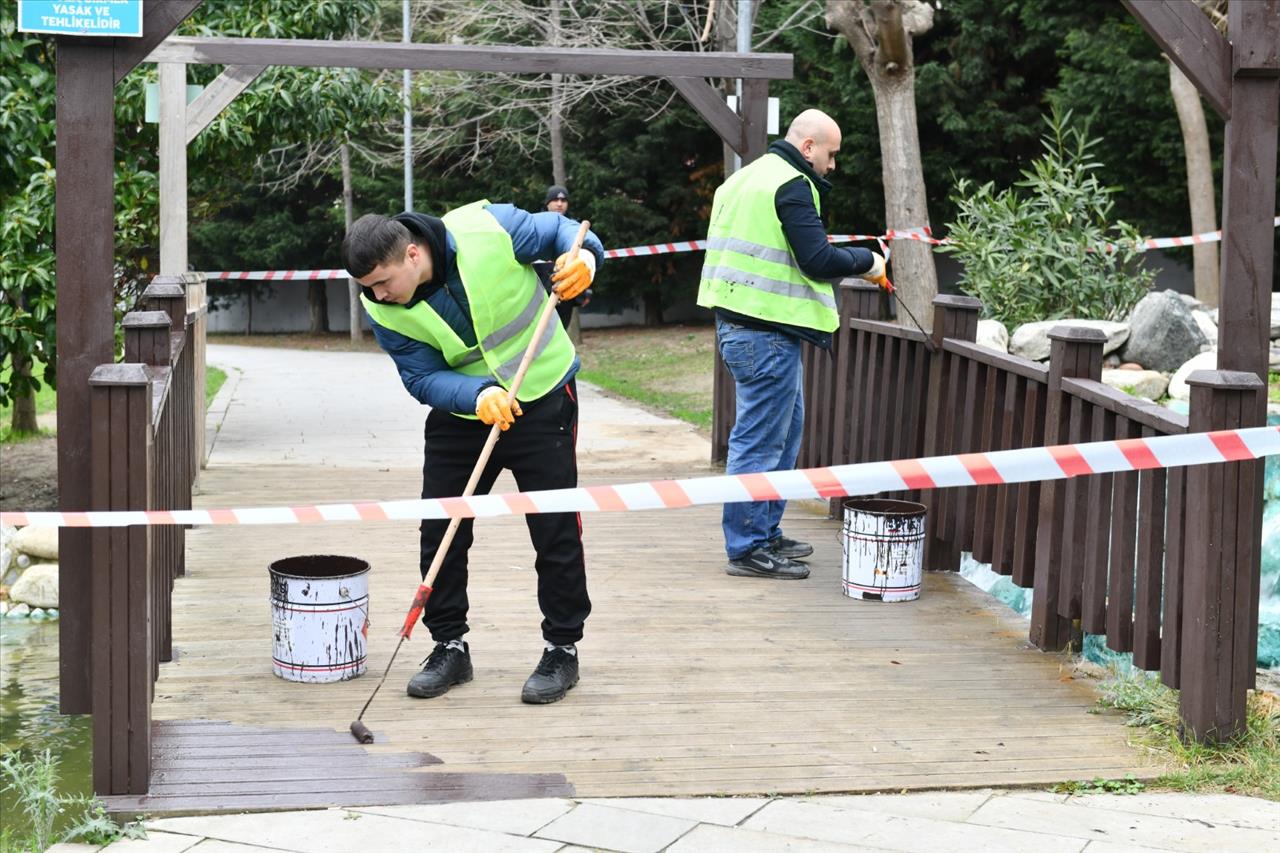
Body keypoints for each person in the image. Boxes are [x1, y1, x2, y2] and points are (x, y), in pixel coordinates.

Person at [341, 201, 604, 704]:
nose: (375, 295)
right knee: (440, 529)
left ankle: (562, 648)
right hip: (467, 415)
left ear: (413, 254)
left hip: (544, 393)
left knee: (554, 528)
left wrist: (586, 259)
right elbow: (420, 375)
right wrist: (478, 396)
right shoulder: (381, 306)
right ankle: (449, 646)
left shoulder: (489, 228)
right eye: (368, 287)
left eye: (382, 281)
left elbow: (561, 231)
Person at [696, 109, 887, 580]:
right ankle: (745, 547)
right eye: (830, 154)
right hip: (765, 334)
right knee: (759, 444)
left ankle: (764, 532)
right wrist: (870, 260)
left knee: (783, 437)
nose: (832, 165)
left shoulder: (742, 180)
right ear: (808, 147)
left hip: (746, 327)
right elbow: (817, 259)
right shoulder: (792, 184)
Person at [536, 185, 588, 330]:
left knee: (562, 333)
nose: (559, 204)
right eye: (555, 199)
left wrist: (584, 290)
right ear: (547, 203)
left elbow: (582, 261)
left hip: (566, 292)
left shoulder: (574, 229)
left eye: (563, 200)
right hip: (540, 293)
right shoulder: (536, 225)